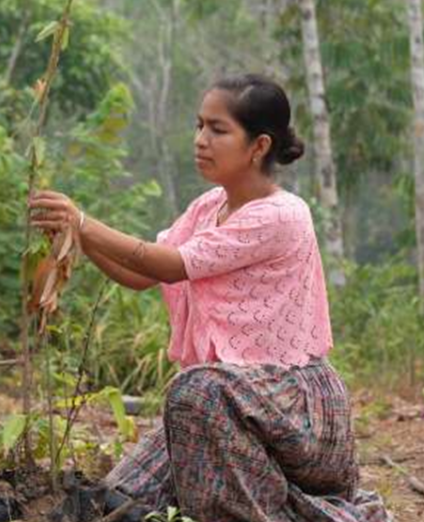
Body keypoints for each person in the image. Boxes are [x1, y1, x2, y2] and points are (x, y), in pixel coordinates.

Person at [30, 74, 392, 522]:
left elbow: (168, 264)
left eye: (217, 130)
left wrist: (83, 221)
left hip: (294, 409)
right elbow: (140, 274)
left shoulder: (283, 214)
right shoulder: (209, 207)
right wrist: (78, 238)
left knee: (194, 390)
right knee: (119, 498)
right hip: (234, 401)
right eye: (199, 126)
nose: (201, 140)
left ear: (258, 146)